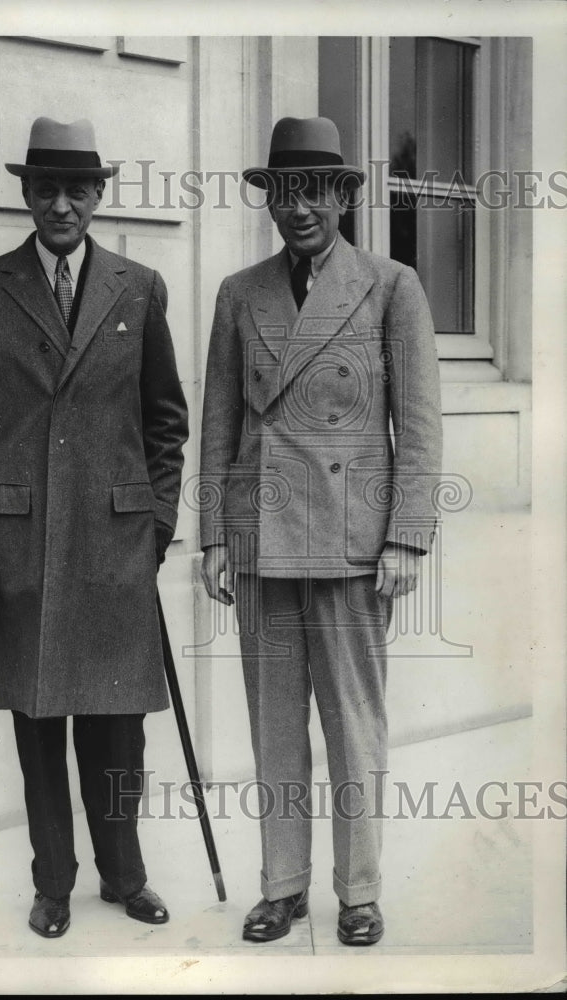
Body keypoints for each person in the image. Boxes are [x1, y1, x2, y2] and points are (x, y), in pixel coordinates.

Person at [0, 117, 188, 939]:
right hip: (19, 546)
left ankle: (125, 876)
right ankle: (53, 883)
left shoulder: (139, 287)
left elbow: (165, 423)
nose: (61, 204)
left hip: (116, 545)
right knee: (39, 722)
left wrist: (155, 523)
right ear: (25, 193)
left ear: (99, 195)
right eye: (45, 187)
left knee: (117, 725)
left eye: (77, 189)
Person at [199, 117, 442, 946]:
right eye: (284, 191)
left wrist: (408, 534)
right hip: (263, 539)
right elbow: (220, 423)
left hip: (350, 544)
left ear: (342, 195)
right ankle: (282, 886)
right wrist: (212, 537)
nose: (299, 208)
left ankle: (361, 889)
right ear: (269, 199)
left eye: (316, 190)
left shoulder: (392, 286)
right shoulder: (241, 292)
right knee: (273, 727)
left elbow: (419, 424)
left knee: (353, 727)